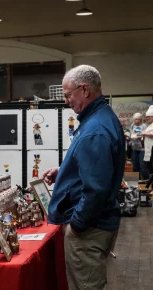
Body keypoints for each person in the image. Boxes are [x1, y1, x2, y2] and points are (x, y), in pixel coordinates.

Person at [42, 65, 124, 290]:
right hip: (97, 223)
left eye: (68, 95)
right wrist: (66, 172)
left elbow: (96, 189)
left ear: (85, 90)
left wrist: (77, 225)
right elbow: (98, 169)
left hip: (89, 230)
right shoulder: (99, 120)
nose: (67, 101)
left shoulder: (95, 130)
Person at [129, 112, 148, 179]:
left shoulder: (144, 126)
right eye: (136, 119)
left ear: (141, 119)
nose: (137, 121)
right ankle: (135, 183)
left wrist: (140, 137)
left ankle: (146, 183)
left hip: (142, 149)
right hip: (134, 148)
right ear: (134, 119)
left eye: (139, 119)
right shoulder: (132, 125)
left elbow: (146, 136)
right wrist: (130, 139)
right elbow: (131, 133)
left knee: (143, 167)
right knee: (135, 167)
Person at [142, 106, 153, 175]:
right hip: (147, 153)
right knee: (150, 171)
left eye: (149, 116)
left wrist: (144, 132)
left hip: (152, 152)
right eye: (147, 117)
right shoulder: (149, 126)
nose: (147, 118)